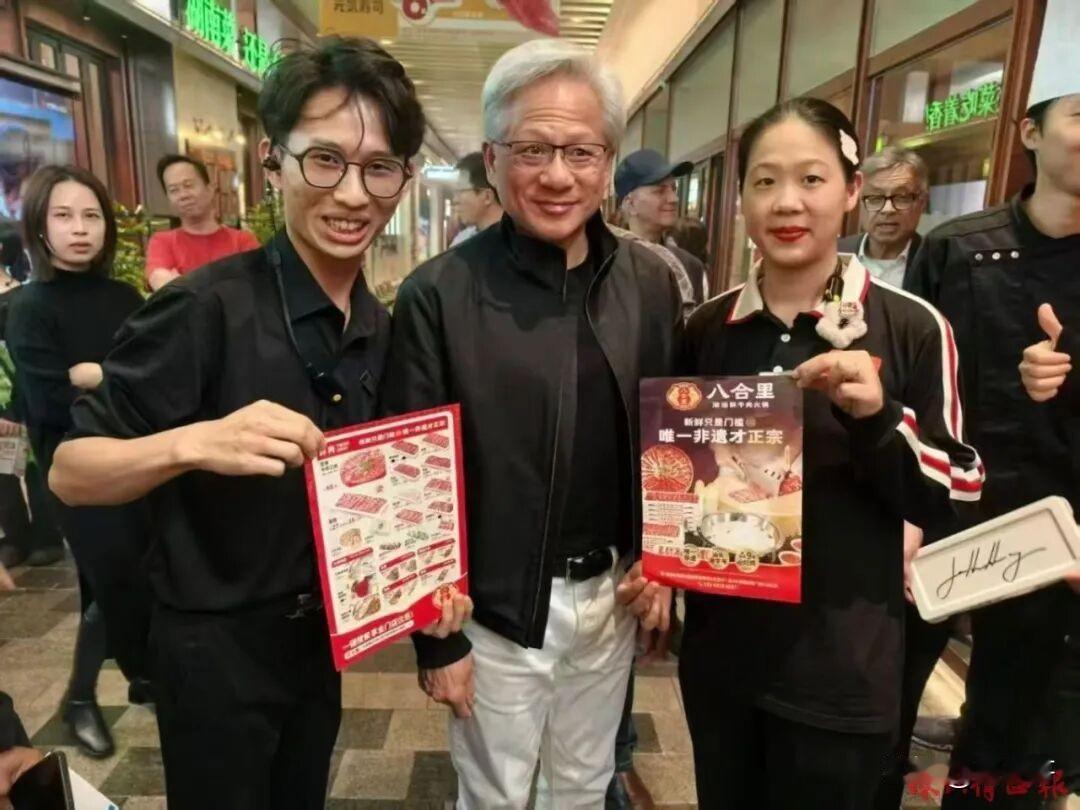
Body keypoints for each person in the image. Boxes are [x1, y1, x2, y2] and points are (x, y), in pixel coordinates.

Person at [48, 37, 470, 810]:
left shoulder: (377, 325)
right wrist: (192, 443)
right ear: (273, 164)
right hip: (213, 651)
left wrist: (424, 589)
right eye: (325, 160)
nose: (353, 194)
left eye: (379, 167)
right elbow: (71, 473)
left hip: (318, 641)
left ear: (404, 179)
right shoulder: (203, 308)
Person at [382, 38, 683, 809]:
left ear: (607, 162)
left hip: (610, 593)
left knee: (582, 785)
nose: (557, 175)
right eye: (532, 150)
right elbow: (411, 486)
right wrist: (437, 639)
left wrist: (664, 559)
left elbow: (670, 439)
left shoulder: (649, 283)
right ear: (492, 158)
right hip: (496, 606)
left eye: (581, 151)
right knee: (494, 793)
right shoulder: (438, 294)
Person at [674, 97, 983, 810]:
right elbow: (681, 476)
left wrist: (879, 417)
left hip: (842, 665)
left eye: (811, 179)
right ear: (741, 200)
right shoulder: (708, 328)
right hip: (721, 656)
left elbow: (960, 490)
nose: (787, 202)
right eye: (765, 181)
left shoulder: (909, 326)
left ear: (851, 192)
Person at [903, 64, 1080, 806]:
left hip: (1058, 526)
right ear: (1032, 132)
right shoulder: (957, 248)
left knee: (1025, 715)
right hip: (948, 511)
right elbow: (909, 379)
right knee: (892, 686)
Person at [6, 165, 155, 758]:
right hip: (75, 472)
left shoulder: (125, 298)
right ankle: (84, 697)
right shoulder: (28, 307)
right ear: (39, 227)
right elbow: (50, 403)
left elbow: (153, 380)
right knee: (116, 576)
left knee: (124, 575)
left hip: (139, 459)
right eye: (63, 216)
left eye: (92, 215)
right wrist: (114, 381)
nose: (80, 229)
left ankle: (133, 679)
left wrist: (97, 376)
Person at [144, 154, 260, 291]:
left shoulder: (243, 241)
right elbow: (161, 284)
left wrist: (183, 284)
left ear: (210, 190)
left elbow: (258, 286)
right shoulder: (162, 242)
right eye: (174, 190)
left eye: (188, 185)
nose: (183, 195)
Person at [616, 148, 708, 306]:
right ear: (630, 204)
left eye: (674, 189)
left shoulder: (689, 267)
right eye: (659, 191)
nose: (674, 198)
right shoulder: (606, 264)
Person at [838, 146, 927, 288]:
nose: (887, 209)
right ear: (859, 201)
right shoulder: (836, 254)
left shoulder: (936, 263)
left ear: (921, 203)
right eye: (875, 198)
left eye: (902, 197)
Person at [450, 151, 503, 246]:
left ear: (487, 197)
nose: (455, 200)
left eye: (460, 191)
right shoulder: (462, 241)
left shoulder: (521, 243)